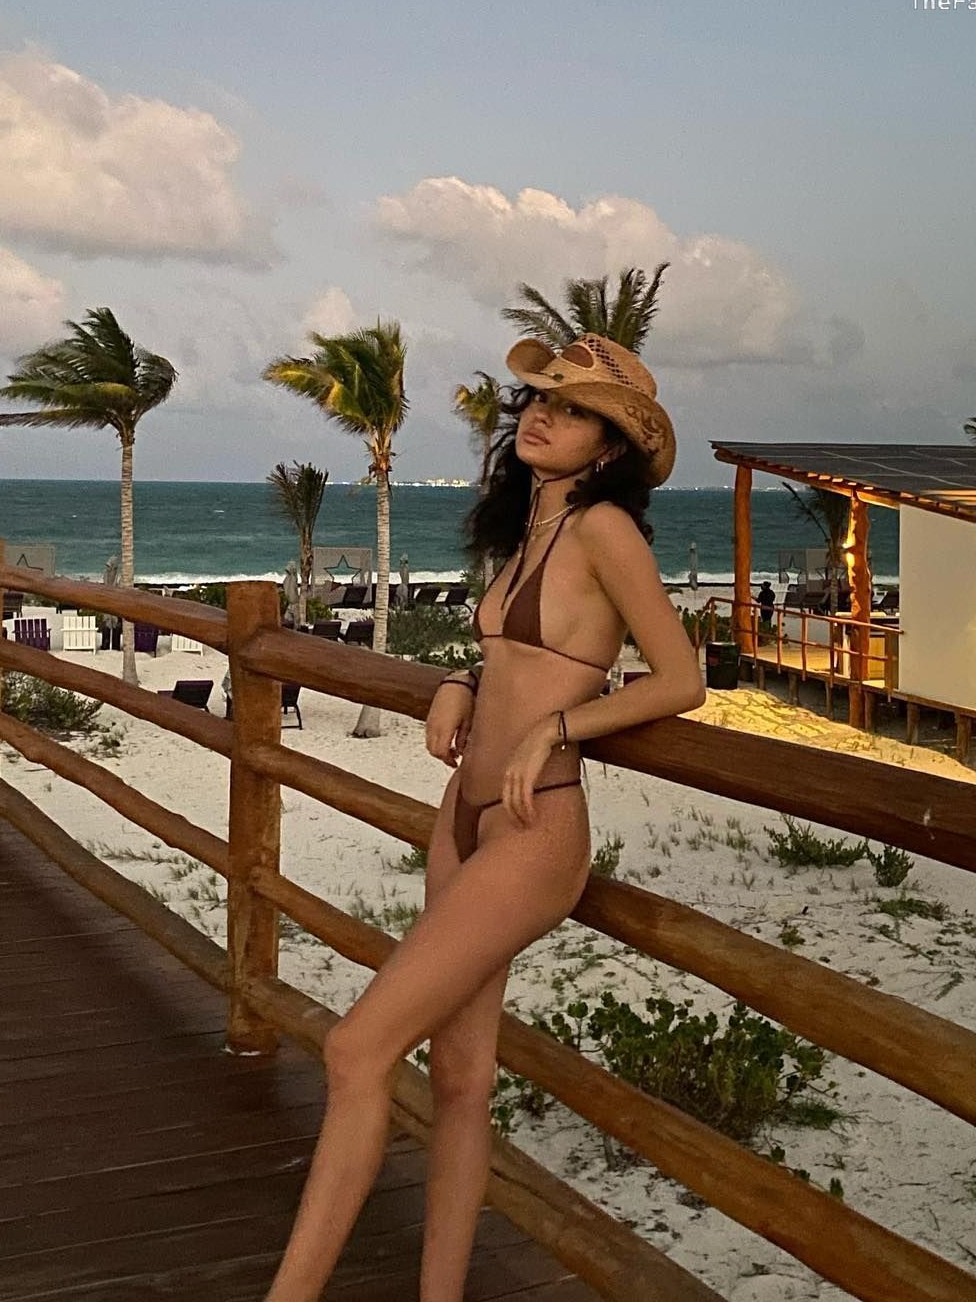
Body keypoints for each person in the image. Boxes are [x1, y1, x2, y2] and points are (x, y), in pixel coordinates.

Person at [260, 334, 704, 1301]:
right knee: (460, 1084)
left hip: (534, 827)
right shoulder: (535, 528)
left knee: (356, 1048)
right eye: (539, 400)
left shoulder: (603, 531)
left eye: (575, 410)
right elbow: (522, 655)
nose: (543, 415)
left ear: (611, 448)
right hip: (463, 812)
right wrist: (462, 680)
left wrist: (559, 727)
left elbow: (682, 679)